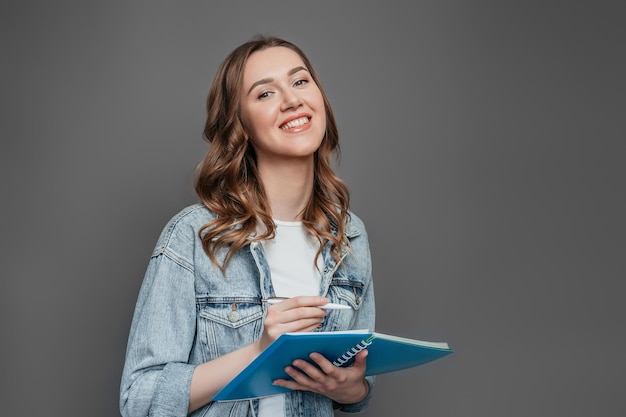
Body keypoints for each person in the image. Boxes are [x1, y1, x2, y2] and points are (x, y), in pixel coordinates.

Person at [119, 35, 376, 417]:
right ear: (240, 125)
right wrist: (259, 352)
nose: (292, 100)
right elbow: (139, 399)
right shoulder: (194, 235)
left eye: (300, 81)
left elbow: (355, 386)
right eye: (265, 94)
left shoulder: (349, 234)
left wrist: (353, 391)